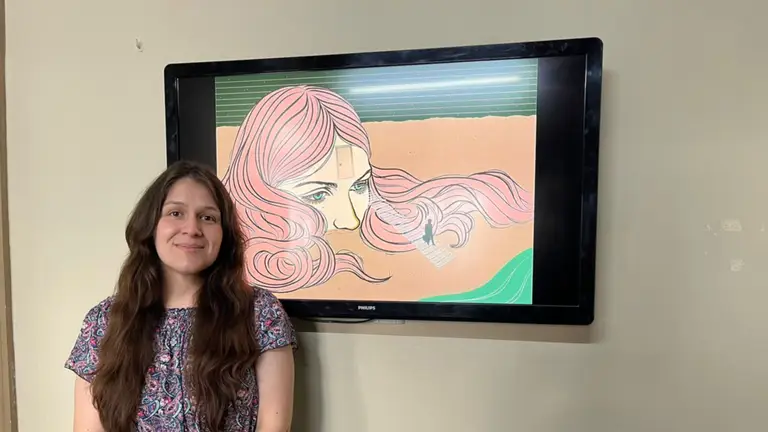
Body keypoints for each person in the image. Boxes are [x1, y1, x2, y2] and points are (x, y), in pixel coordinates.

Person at [222, 85, 533, 294]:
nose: (350, 220)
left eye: (359, 185)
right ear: (258, 184)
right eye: (317, 195)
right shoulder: (228, 257)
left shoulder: (396, 221)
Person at [65, 160, 297, 432]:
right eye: (176, 213)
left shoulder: (259, 312)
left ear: (224, 234)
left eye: (208, 217)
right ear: (151, 225)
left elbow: (274, 427)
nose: (192, 229)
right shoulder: (103, 322)